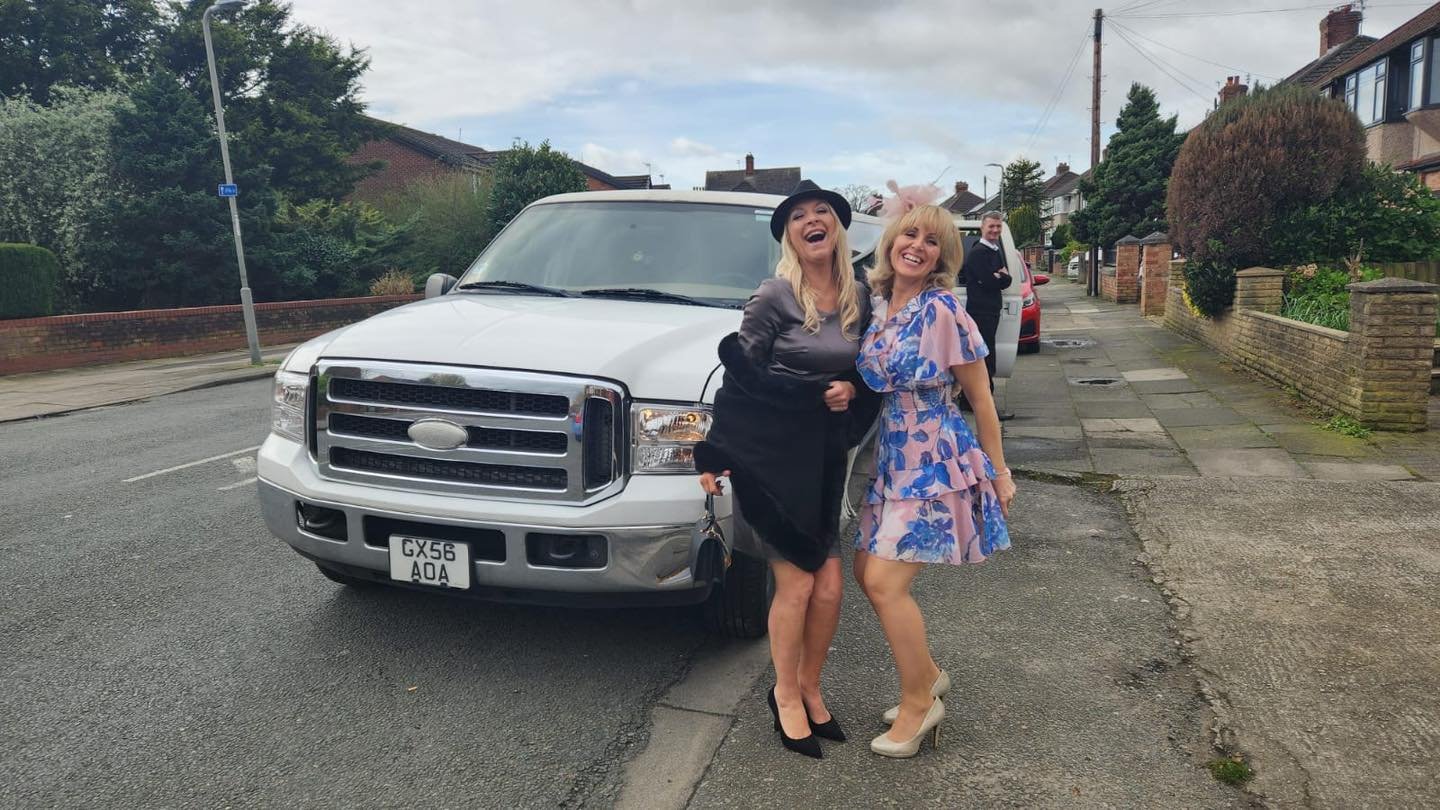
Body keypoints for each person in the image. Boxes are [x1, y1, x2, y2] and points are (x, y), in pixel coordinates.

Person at [694, 180, 879, 760]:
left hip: (823, 456)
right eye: (798, 216)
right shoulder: (774, 295)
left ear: (838, 228)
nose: (812, 220)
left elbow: (873, 370)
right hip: (769, 455)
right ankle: (784, 694)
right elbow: (740, 375)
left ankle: (810, 686)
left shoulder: (861, 297)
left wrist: (854, 388)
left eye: (822, 211)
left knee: (829, 588)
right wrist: (714, 452)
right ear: (788, 235)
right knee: (797, 584)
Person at [853, 201, 1015, 758]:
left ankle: (921, 702)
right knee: (864, 571)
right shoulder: (877, 306)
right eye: (909, 234)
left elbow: (982, 398)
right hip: (890, 458)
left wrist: (1000, 472)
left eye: (931, 241)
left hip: (934, 459)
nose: (917, 246)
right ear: (892, 240)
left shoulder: (942, 309)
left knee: (885, 583)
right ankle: (929, 675)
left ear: (944, 256)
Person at [959, 210, 1013, 419]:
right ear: (982, 227)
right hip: (981, 311)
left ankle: (967, 401)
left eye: (998, 226)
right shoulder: (978, 252)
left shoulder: (994, 249)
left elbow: (1004, 279)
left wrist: (1000, 277)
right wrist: (999, 277)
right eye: (991, 226)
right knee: (985, 357)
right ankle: (985, 404)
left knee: (983, 355)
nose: (995, 230)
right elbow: (991, 282)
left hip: (990, 309)